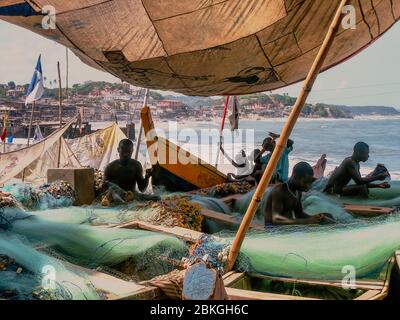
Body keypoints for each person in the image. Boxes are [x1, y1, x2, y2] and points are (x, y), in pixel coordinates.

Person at [264, 162, 334, 226]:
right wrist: (307, 221)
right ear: (294, 177)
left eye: (309, 182)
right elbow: (276, 219)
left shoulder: (298, 192)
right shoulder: (279, 191)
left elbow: (299, 214)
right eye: (305, 182)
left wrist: (316, 218)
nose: (308, 186)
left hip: (285, 226)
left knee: (328, 216)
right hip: (272, 228)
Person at [323, 142, 390, 197]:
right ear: (358, 152)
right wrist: (378, 177)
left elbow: (361, 181)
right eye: (366, 153)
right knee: (362, 187)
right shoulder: (350, 162)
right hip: (332, 192)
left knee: (363, 186)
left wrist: (378, 185)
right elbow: (359, 182)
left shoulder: (356, 164)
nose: (368, 156)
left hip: (338, 190)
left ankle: (364, 202)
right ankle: (365, 205)